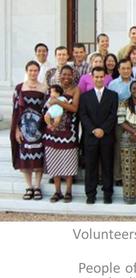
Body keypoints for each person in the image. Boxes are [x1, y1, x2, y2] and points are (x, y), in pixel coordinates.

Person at [79, 67, 118, 204]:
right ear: (92, 78)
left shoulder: (113, 95)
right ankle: (90, 194)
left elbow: (113, 115)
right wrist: (94, 129)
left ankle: (108, 194)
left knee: (107, 165)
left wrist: (103, 129)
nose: (99, 79)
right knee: (91, 167)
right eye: (96, 77)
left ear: (105, 78)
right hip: (91, 137)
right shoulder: (85, 97)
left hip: (107, 136)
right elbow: (83, 115)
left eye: (102, 77)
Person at [42, 65, 80, 203]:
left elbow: (74, 108)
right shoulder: (53, 89)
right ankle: (57, 191)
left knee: (68, 162)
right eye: (64, 74)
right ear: (60, 76)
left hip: (68, 132)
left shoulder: (75, 90)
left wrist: (58, 101)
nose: (66, 77)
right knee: (54, 161)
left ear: (73, 76)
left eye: (69, 74)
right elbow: (47, 105)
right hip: (52, 131)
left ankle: (68, 191)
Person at [11, 61, 47, 200]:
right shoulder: (19, 88)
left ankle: (37, 186)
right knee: (25, 158)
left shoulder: (44, 88)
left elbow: (46, 109)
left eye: (35, 70)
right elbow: (15, 111)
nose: (33, 73)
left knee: (38, 158)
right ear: (27, 71)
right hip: (24, 128)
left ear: (38, 72)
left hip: (39, 129)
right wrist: (16, 130)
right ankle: (29, 187)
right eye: (30, 70)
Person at [108, 59, 134, 186]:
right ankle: (118, 176)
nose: (126, 71)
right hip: (118, 120)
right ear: (118, 70)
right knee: (119, 146)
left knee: (133, 146)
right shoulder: (113, 84)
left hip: (135, 119)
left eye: (128, 68)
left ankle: (132, 174)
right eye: (123, 68)